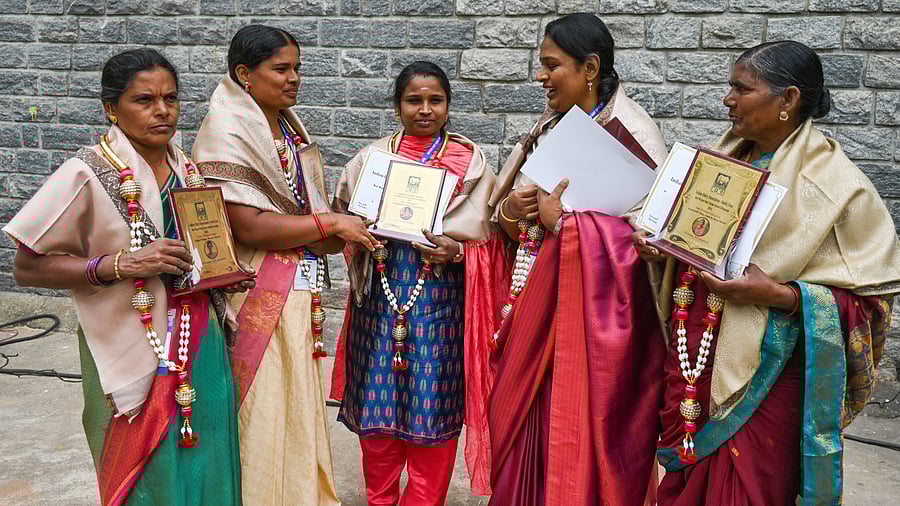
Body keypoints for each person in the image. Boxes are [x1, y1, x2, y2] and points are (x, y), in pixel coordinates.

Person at [632, 40, 900, 505]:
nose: (727, 99)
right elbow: (684, 241)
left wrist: (782, 295)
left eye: (742, 88)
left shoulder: (837, 187)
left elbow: (871, 301)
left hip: (766, 377)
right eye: (729, 86)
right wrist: (659, 248)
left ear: (789, 100)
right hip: (693, 358)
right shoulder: (716, 160)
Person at [3, 48, 248, 505]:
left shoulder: (187, 169)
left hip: (201, 337)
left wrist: (223, 273)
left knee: (207, 452)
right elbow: (27, 265)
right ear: (111, 108)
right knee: (144, 473)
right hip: (130, 339)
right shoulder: (87, 171)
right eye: (144, 100)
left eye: (171, 99)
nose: (162, 111)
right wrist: (120, 264)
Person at [486, 13, 669, 505]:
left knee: (584, 429)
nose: (541, 77)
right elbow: (504, 215)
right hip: (537, 310)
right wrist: (513, 210)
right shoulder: (548, 125)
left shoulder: (632, 133)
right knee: (524, 417)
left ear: (590, 67)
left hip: (597, 328)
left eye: (551, 65)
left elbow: (646, 242)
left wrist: (564, 226)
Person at [191, 25, 378, 505]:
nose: (294, 78)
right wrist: (331, 222)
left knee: (296, 399)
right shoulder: (227, 130)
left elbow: (301, 208)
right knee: (266, 405)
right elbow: (249, 226)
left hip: (297, 287)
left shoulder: (286, 126)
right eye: (281, 69)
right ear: (244, 75)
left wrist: (337, 228)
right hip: (255, 290)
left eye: (297, 68)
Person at [329, 61, 508, 504]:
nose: (425, 110)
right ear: (397, 106)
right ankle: (381, 499)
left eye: (435, 100)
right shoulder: (370, 162)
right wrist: (357, 228)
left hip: (441, 304)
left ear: (448, 105)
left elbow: (497, 241)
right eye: (414, 100)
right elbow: (341, 222)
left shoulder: (472, 165)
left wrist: (459, 251)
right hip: (379, 301)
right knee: (376, 404)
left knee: (433, 409)